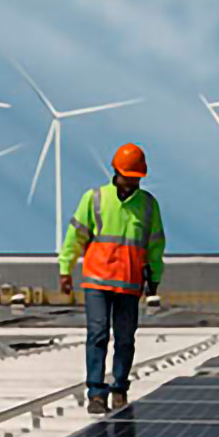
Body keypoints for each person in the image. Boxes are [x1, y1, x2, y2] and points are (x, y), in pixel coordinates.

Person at [58, 142, 165, 414]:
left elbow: (155, 245)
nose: (131, 181)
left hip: (129, 283)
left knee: (125, 338)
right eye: (128, 175)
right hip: (97, 280)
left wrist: (155, 277)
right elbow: (76, 235)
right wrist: (65, 268)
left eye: (136, 177)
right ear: (115, 172)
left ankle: (119, 388)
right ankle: (95, 393)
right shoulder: (94, 198)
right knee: (98, 334)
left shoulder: (148, 205)